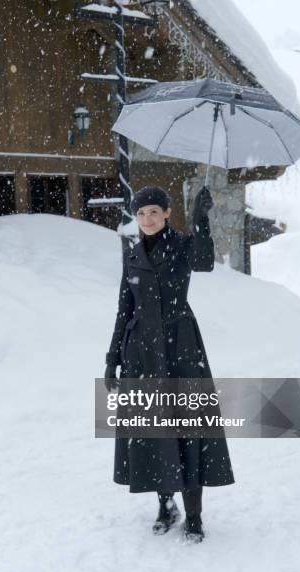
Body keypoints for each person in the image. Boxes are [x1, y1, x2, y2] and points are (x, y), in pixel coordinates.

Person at [104, 185, 235, 543]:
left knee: (189, 430)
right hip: (142, 352)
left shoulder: (180, 245)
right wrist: (112, 358)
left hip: (181, 348)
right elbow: (123, 309)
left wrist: (201, 218)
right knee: (154, 431)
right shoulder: (131, 253)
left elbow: (206, 261)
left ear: (166, 214)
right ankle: (166, 505)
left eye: (154, 212)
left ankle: (193, 515)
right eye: (141, 213)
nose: (147, 219)